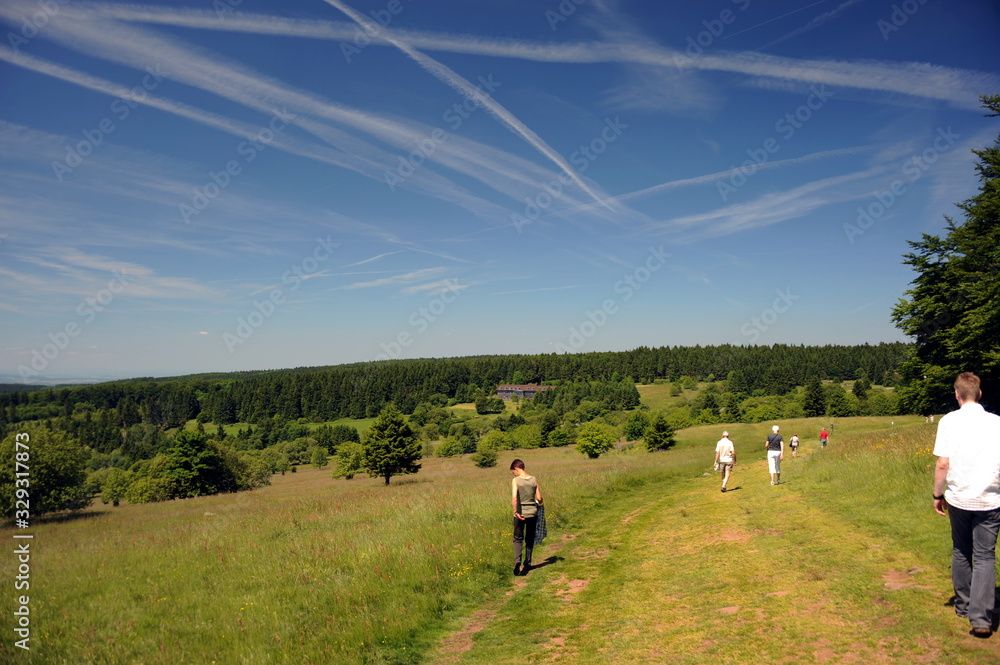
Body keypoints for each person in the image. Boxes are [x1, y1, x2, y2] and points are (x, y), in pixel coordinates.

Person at [933, 372, 1000, 637]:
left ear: (957, 394)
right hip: (990, 498)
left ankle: (963, 604)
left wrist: (937, 495)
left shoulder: (948, 421)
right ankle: (981, 618)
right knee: (985, 555)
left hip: (959, 497)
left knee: (961, 549)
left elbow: (943, 463)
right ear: (979, 393)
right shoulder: (996, 422)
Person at [510, 458, 543, 576]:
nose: (514, 474)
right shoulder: (534, 479)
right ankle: (527, 562)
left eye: (513, 472)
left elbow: (514, 497)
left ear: (516, 469)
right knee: (530, 537)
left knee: (518, 538)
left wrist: (516, 511)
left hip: (521, 513)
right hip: (532, 513)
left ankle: (517, 561)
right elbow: (539, 499)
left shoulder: (516, 480)